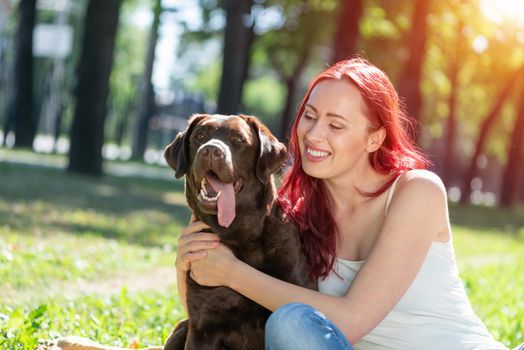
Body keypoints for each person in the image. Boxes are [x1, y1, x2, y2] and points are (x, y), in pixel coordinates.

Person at [175, 58, 518, 350]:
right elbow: (212, 315)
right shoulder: (296, 216)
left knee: (291, 322)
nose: (313, 134)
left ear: (375, 137)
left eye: (335, 124)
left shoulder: (416, 192)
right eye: (309, 116)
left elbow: (352, 320)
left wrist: (232, 272)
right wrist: (189, 262)